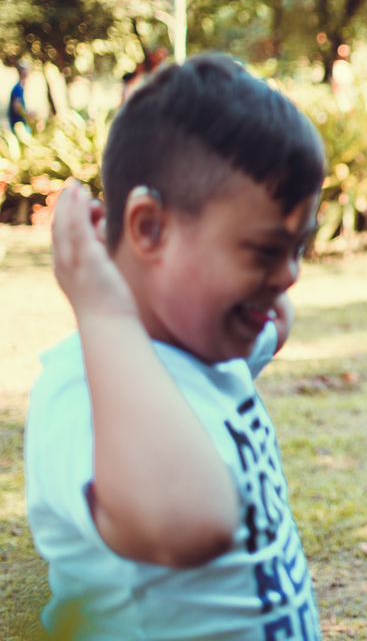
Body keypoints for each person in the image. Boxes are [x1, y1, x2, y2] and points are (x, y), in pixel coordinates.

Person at [24, 54, 326, 639]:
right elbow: (192, 524)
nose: (289, 276)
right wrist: (101, 305)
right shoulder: (83, 393)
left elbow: (277, 321)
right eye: (266, 251)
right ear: (148, 229)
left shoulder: (208, 347)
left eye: (299, 249)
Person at [8, 61, 29, 132]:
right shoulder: (17, 89)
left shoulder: (21, 88)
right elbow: (16, 108)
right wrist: (28, 115)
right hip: (18, 125)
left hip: (21, 124)